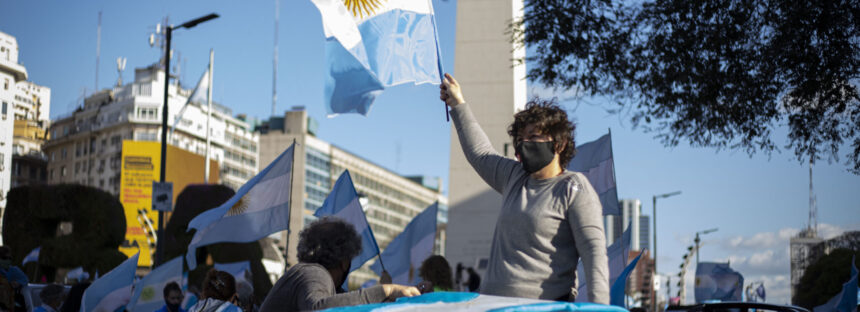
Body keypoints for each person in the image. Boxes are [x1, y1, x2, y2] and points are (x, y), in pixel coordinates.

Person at [440, 73, 610, 303]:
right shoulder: (514, 177)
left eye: (533, 136)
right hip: (492, 305)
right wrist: (458, 104)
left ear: (558, 144)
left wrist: (599, 308)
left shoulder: (573, 188)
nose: (523, 144)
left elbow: (593, 252)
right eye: (520, 138)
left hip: (545, 307)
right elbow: (481, 153)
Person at [259, 217, 420, 311]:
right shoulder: (313, 273)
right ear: (344, 262)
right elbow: (319, 308)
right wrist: (387, 290)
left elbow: (347, 303)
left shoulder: (324, 284)